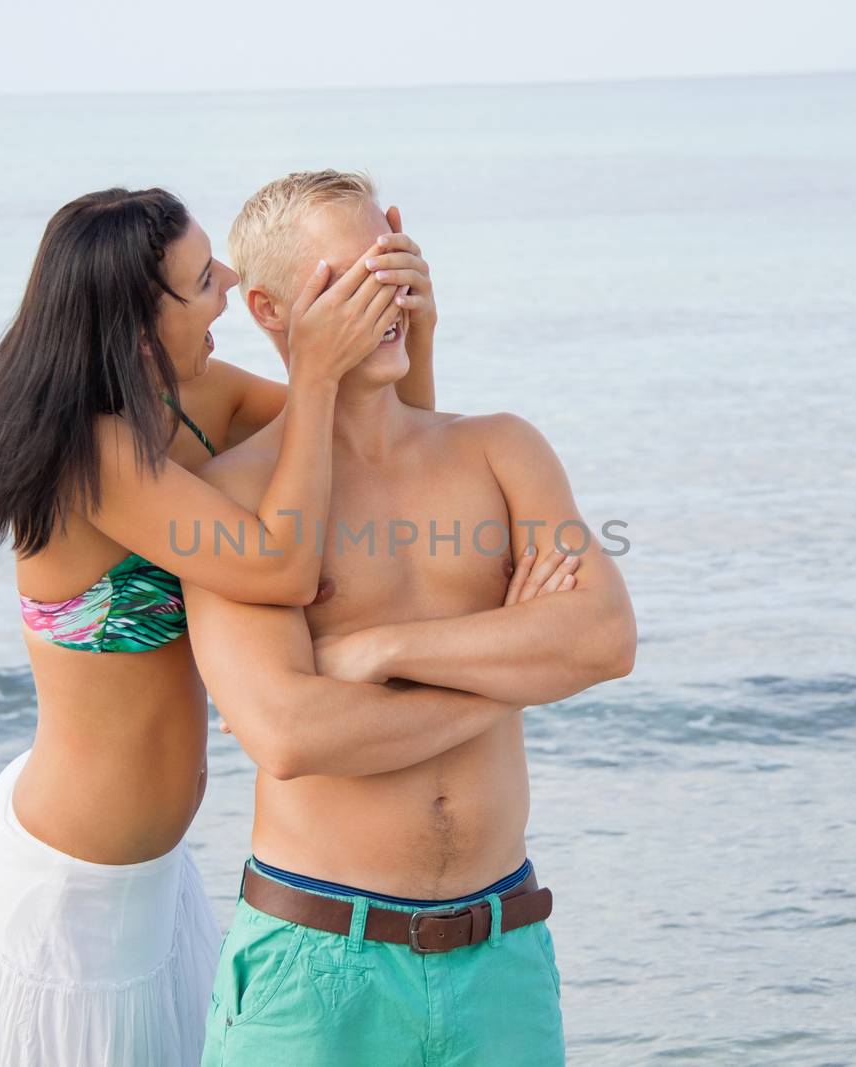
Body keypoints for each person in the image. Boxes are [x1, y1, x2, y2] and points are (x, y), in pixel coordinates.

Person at [0, 185, 440, 1066]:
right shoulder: (91, 454)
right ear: (138, 326)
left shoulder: (196, 395)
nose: (227, 285)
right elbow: (280, 562)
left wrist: (408, 333)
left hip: (157, 891)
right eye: (203, 278)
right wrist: (316, 373)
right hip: (66, 902)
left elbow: (376, 448)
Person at [183, 170, 638, 1067]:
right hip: (317, 965)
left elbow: (605, 638)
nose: (383, 297)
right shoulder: (233, 498)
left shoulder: (499, 448)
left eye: (389, 263)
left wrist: (382, 649)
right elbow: (288, 731)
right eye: (344, 280)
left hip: (501, 949)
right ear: (270, 311)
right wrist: (512, 673)